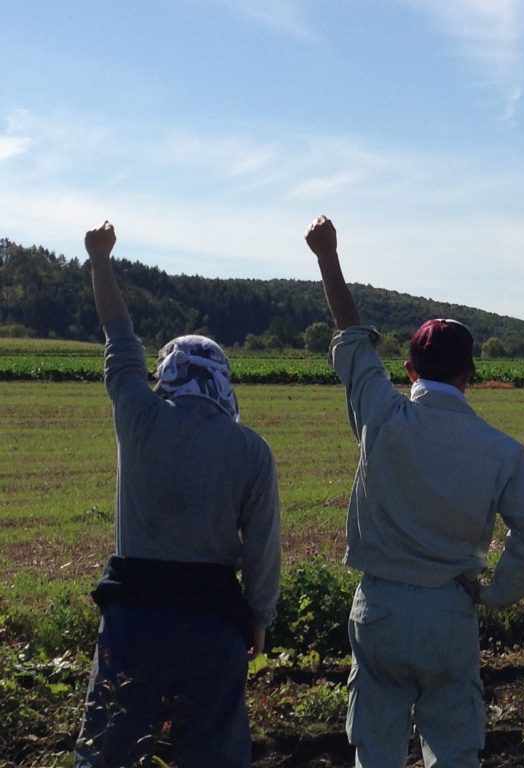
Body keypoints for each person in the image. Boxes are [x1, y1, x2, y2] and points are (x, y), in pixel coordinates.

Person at [304, 214, 524, 768]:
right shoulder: (503, 451)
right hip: (450, 609)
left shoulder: (380, 415)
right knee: (455, 747)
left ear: (409, 367)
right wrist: (495, 593)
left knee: (377, 747)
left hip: (381, 609)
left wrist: (327, 256)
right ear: (469, 374)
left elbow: (350, 336)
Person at [75, 222, 282, 768]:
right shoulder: (251, 450)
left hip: (133, 619)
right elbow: (262, 551)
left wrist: (100, 259)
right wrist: (258, 618)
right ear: (223, 383)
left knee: (110, 753)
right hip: (212, 626)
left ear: (164, 375)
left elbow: (118, 335)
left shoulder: (136, 415)